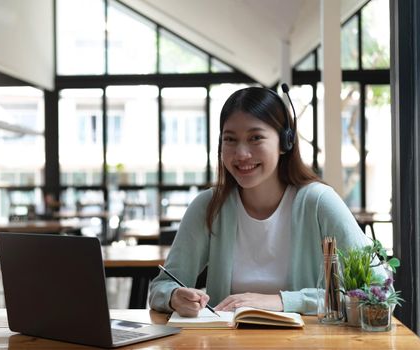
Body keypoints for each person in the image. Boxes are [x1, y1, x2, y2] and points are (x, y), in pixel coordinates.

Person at [149, 85, 379, 317]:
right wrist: (174, 297)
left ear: (285, 142)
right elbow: (161, 286)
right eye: (230, 139)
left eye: (255, 138)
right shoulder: (209, 205)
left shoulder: (319, 202)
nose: (241, 153)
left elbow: (377, 289)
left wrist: (282, 301)